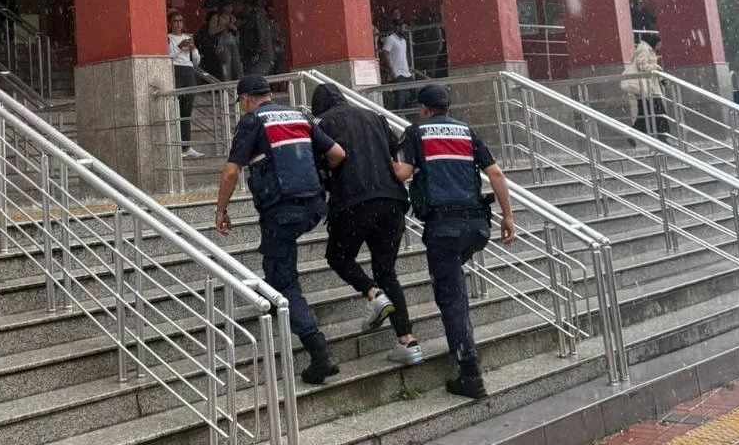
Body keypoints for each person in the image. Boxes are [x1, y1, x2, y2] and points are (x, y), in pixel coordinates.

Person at [215, 74, 346, 384]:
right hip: (313, 206)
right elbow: (337, 154)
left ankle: (319, 352)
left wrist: (221, 210)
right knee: (276, 268)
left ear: (246, 98)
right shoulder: (300, 115)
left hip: (282, 212)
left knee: (284, 280)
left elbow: (231, 172)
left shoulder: (252, 121)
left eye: (241, 102)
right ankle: (278, 303)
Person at [395, 84, 515, 401]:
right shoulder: (466, 131)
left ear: (423, 108)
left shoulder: (415, 132)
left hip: (443, 228)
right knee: (453, 283)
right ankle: (465, 348)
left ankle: (469, 372)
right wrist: (507, 216)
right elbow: (496, 174)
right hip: (476, 227)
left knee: (452, 299)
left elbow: (402, 173)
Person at [310, 83, 422, 366]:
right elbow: (398, 152)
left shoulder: (321, 123)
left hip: (353, 201)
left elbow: (322, 162)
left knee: (338, 257)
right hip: (392, 200)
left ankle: (373, 294)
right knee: (387, 271)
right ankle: (407, 341)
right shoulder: (375, 117)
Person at [169, 9, 205, 159]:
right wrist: (179, 47)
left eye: (180, 21)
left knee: (187, 111)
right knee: (177, 109)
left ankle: (186, 147)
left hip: (189, 71)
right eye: (175, 21)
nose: (178, 24)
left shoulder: (187, 37)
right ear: (170, 24)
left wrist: (193, 49)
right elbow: (168, 57)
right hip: (176, 70)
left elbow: (196, 61)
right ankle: (178, 146)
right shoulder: (168, 38)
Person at [622, 34, 671, 139]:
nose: (659, 47)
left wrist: (663, 81)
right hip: (647, 88)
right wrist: (656, 67)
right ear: (654, 42)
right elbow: (642, 66)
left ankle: (634, 136)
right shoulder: (644, 49)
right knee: (654, 113)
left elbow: (651, 71)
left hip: (650, 88)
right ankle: (662, 137)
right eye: (659, 44)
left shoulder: (649, 50)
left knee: (647, 114)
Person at [379, 19, 412, 110]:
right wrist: (391, 70)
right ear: (398, 27)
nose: (406, 30)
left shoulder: (404, 41)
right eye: (404, 28)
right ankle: (398, 113)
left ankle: (405, 111)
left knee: (415, 93)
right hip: (397, 73)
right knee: (400, 97)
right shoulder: (391, 39)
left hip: (406, 73)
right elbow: (385, 53)